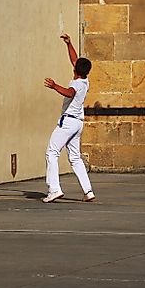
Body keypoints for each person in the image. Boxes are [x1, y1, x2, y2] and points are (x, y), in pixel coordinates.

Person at [42, 33, 95, 203]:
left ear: (75, 70)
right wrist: (69, 44)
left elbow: (69, 93)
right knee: (75, 157)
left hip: (68, 122)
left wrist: (55, 86)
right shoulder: (85, 80)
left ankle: (54, 189)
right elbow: (75, 59)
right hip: (78, 123)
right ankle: (88, 191)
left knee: (52, 152)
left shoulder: (76, 84)